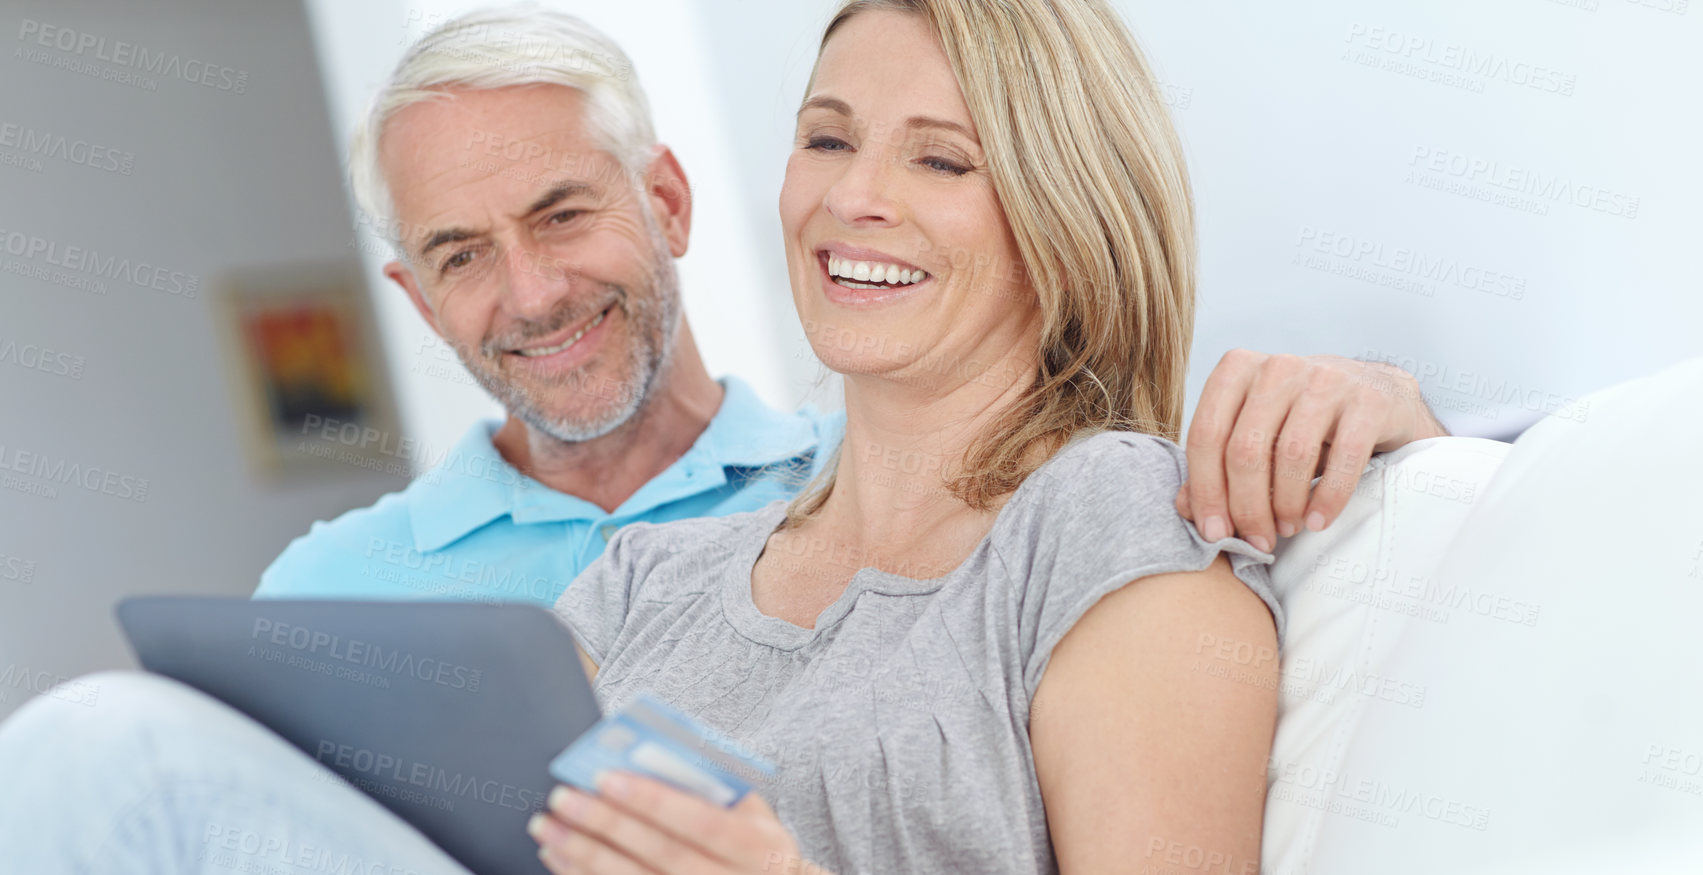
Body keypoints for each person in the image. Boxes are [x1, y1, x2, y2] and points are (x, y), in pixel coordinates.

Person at [0, 4, 1422, 875]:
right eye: (827, 137)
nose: (855, 198)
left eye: (940, 158)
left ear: (1057, 206)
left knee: (117, 761)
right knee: (126, 782)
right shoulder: (646, 578)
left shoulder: (1112, 512)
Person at [252, 7, 1446, 607]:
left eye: (564, 215)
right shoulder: (329, 596)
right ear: (415, 296)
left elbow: (1157, 475)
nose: (532, 292)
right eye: (461, 256)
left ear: (666, 202)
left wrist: (1384, 398)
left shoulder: (901, 489)